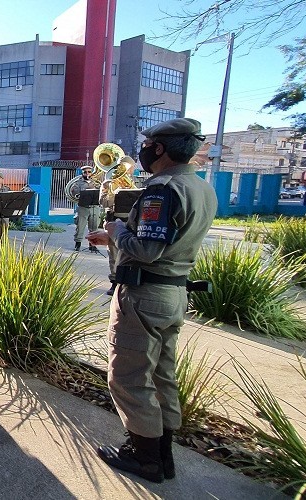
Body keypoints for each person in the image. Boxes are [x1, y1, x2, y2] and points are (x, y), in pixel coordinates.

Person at [86, 117, 217, 484]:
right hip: (173, 293)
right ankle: (162, 455)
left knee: (129, 376)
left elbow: (145, 249)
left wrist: (116, 230)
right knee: (162, 375)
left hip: (144, 295)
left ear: (160, 148)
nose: (142, 151)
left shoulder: (162, 189)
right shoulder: (201, 188)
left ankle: (143, 458)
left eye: (147, 145)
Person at [70, 165, 102, 252]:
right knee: (80, 227)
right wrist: (87, 187)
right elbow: (74, 192)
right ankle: (78, 244)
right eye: (85, 172)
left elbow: (102, 191)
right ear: (82, 173)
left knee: (94, 228)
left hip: (95, 207)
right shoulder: (78, 182)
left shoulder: (96, 182)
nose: (87, 173)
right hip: (83, 207)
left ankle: (92, 245)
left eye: (89, 172)